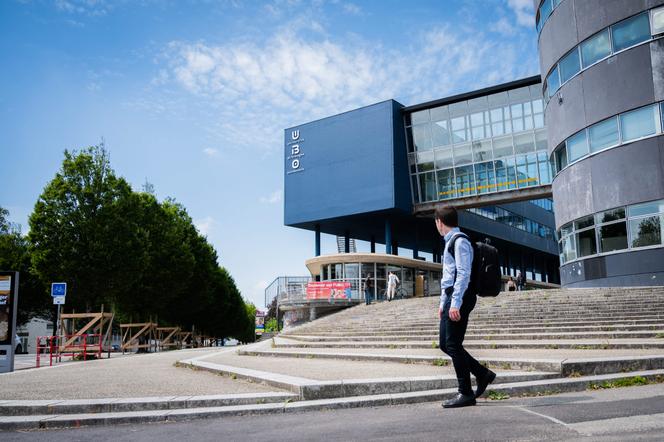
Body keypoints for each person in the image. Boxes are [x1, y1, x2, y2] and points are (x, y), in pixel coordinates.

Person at [435, 205, 496, 408]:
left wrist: (455, 303)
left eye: (436, 222)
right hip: (452, 297)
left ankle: (466, 392)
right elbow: (448, 277)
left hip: (461, 297)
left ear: (439, 222)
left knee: (452, 344)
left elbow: (463, 274)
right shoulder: (451, 241)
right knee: (446, 343)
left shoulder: (460, 241)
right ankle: (482, 373)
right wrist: (443, 302)